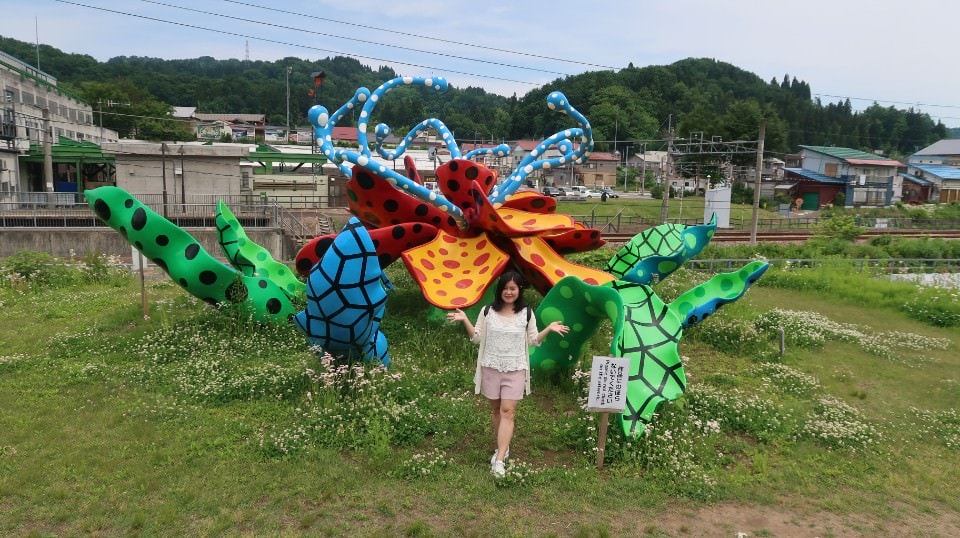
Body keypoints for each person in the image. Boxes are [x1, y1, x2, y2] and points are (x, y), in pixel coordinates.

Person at [446, 271, 569, 478]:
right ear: (499, 290)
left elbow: (533, 341)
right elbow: (476, 338)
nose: (508, 292)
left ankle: (500, 459)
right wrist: (465, 319)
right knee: (496, 410)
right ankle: (503, 446)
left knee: (508, 411)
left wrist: (548, 329)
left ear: (519, 290)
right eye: (505, 288)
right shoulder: (487, 312)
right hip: (490, 367)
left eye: (513, 288)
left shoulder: (527, 313)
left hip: (516, 369)